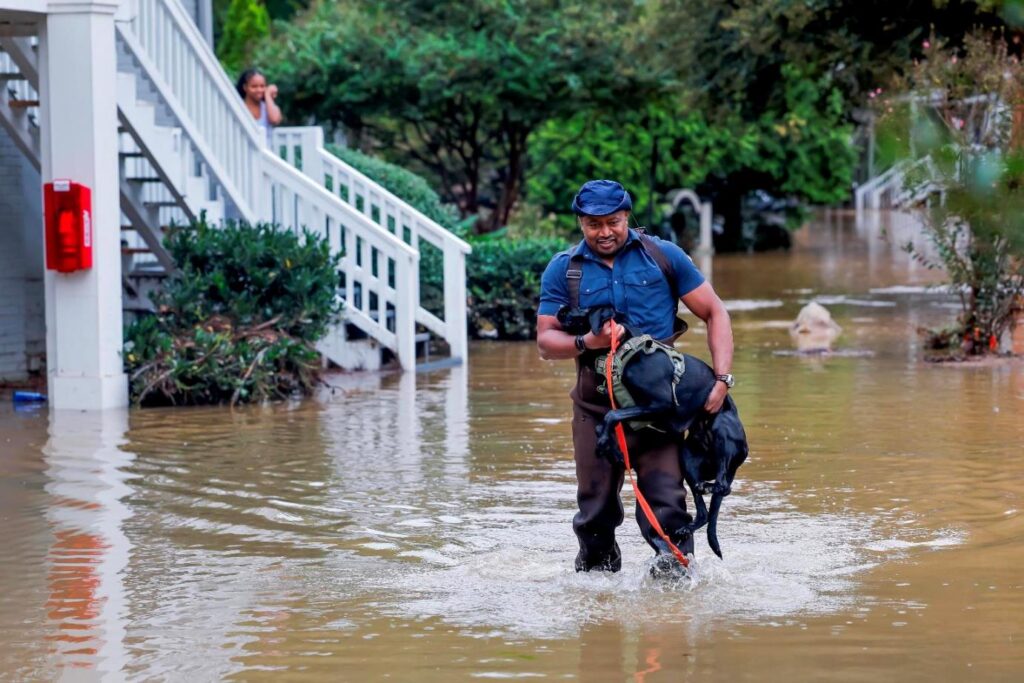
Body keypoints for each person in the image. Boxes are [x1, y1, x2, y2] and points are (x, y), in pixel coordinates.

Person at [536, 179, 734, 575]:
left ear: (627, 216)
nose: (605, 232)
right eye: (594, 224)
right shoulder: (565, 270)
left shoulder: (664, 256)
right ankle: (596, 600)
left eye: (613, 221)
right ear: (580, 223)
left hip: (659, 409)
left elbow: (715, 312)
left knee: (667, 508)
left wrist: (721, 380)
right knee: (595, 512)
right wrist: (587, 340)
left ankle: (675, 598)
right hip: (595, 409)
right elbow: (545, 340)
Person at [236, 68, 283, 147]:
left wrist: (267, 94)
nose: (259, 90)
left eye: (262, 86)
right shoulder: (239, 106)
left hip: (266, 156)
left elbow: (274, 119)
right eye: (254, 86)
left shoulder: (268, 107)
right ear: (245, 87)